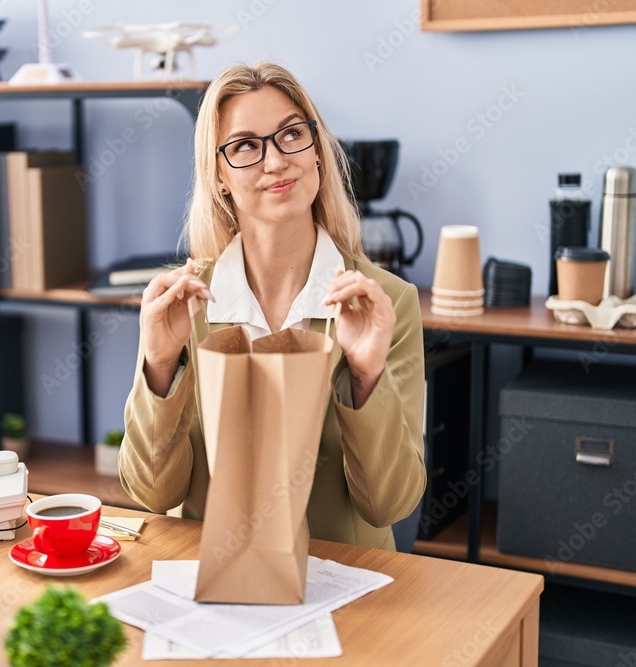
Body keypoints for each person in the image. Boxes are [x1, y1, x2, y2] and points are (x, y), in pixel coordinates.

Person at [118, 62, 425, 550]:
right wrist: (158, 365)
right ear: (218, 176)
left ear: (318, 151)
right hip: (209, 576)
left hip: (346, 582)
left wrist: (366, 377)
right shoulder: (185, 303)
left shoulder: (387, 303)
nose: (276, 161)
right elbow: (154, 495)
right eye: (245, 145)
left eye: (291, 134)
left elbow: (390, 505)